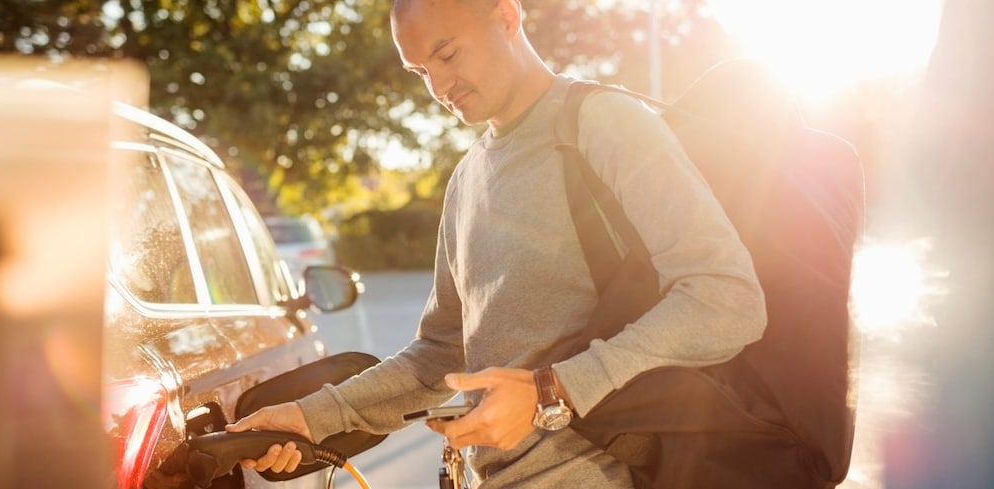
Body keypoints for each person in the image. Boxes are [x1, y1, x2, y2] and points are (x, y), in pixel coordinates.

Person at [226, 0, 766, 486]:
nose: (438, 86)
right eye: (420, 71)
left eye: (447, 53)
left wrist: (552, 391)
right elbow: (439, 356)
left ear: (507, 16)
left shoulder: (603, 122)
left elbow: (725, 298)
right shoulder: (466, 179)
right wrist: (309, 416)